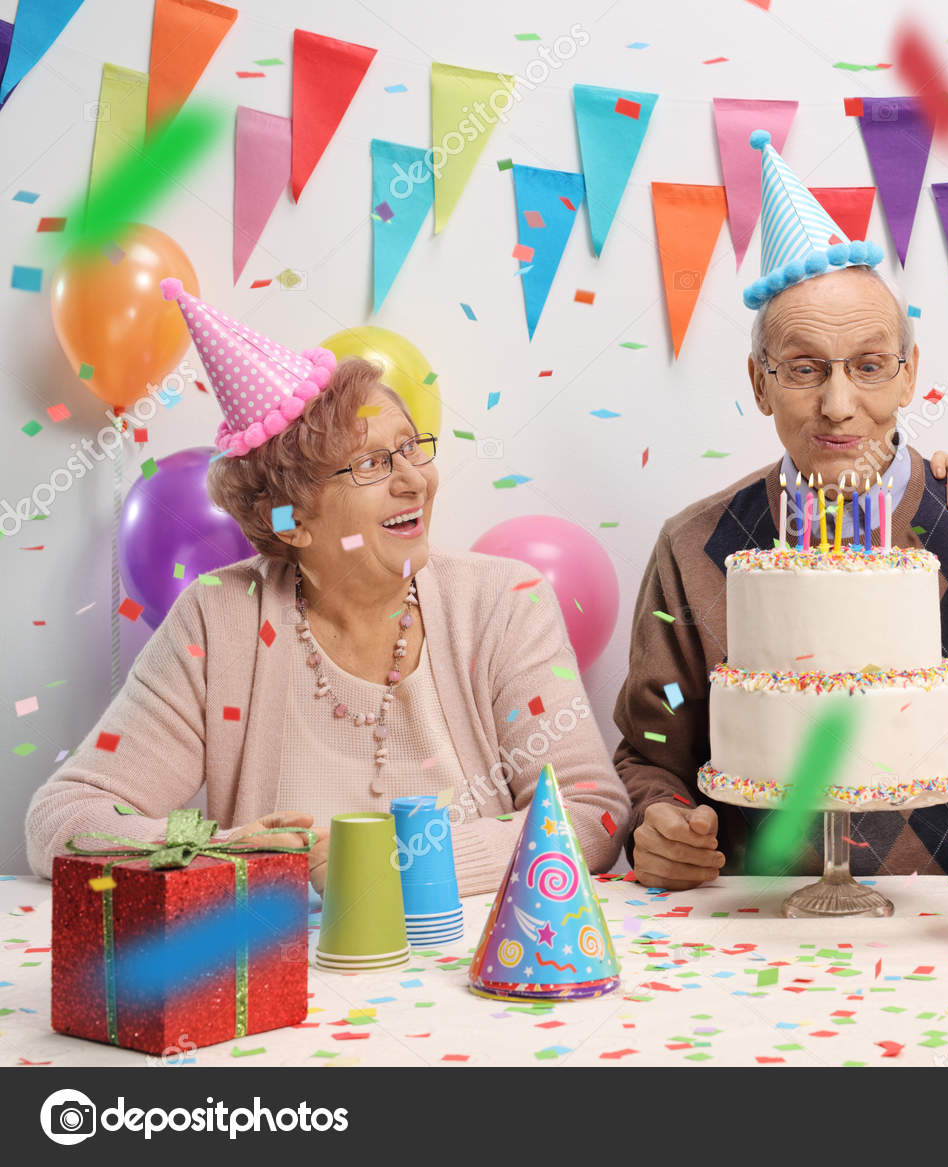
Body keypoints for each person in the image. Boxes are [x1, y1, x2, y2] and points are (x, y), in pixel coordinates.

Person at [25, 281, 628, 894]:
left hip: (470, 966)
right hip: (280, 976)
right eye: (371, 464)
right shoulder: (219, 617)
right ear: (294, 517)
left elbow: (590, 814)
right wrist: (223, 850)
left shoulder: (503, 602)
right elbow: (63, 821)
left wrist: (395, 865)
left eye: (411, 448)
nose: (415, 481)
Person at [615, 130, 948, 890]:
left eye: (869, 367)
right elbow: (653, 751)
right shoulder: (693, 548)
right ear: (759, 381)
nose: (839, 406)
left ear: (910, 375)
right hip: (753, 933)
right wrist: (659, 818)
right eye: (805, 369)